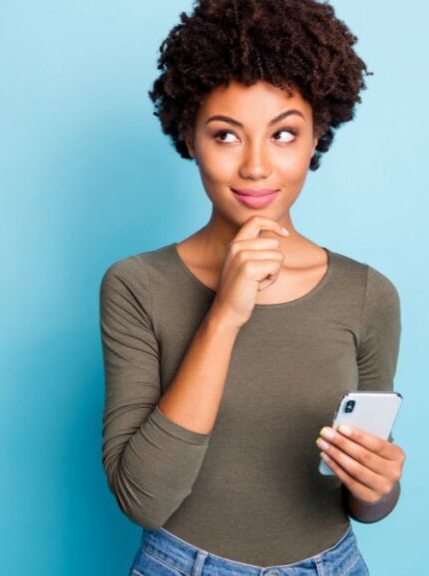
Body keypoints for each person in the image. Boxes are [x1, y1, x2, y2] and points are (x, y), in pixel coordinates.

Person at [99, 1, 405, 574]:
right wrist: (224, 314)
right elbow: (143, 499)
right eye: (226, 135)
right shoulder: (137, 286)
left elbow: (365, 503)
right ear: (189, 137)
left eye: (284, 134)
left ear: (317, 136)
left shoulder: (368, 295)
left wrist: (379, 486)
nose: (257, 167)